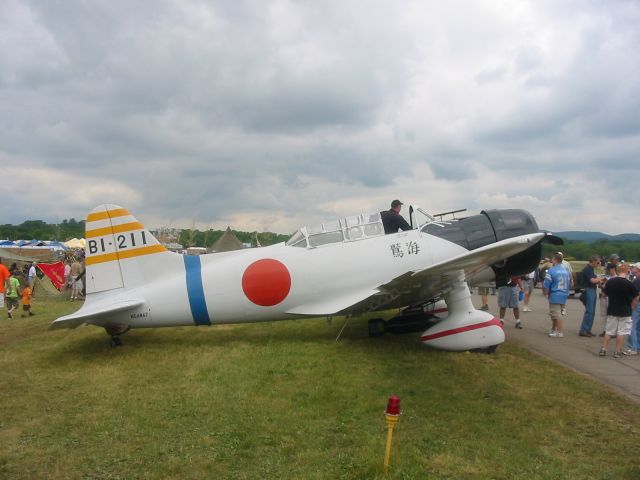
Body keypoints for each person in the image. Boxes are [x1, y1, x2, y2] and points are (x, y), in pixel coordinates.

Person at [599, 263, 639, 358]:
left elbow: (604, 294)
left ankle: (603, 349)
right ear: (627, 271)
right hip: (625, 310)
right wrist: (632, 306)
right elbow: (636, 297)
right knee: (621, 332)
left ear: (618, 270)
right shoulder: (629, 284)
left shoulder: (611, 282)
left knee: (609, 331)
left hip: (612, 309)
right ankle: (617, 351)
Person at [543, 253, 571, 338]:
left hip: (555, 294)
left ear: (555, 260)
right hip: (564, 294)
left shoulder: (551, 270)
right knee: (556, 314)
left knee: (556, 315)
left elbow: (546, 284)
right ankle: (553, 329)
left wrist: (546, 294)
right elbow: (569, 283)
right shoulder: (566, 270)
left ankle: (559, 332)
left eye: (552, 259)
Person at [578, 255, 604, 337]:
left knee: (592, 312)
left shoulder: (592, 269)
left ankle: (588, 329)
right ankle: (584, 330)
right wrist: (601, 279)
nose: (599, 263)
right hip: (588, 290)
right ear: (592, 261)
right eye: (598, 262)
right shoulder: (587, 269)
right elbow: (592, 280)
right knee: (589, 311)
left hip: (592, 290)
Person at [624, 263, 640, 355]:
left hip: (637, 304)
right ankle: (637, 346)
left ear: (638, 269)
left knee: (631, 326)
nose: (632, 268)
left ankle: (632, 347)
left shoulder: (637, 280)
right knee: (638, 327)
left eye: (634, 267)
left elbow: (636, 295)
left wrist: (633, 305)